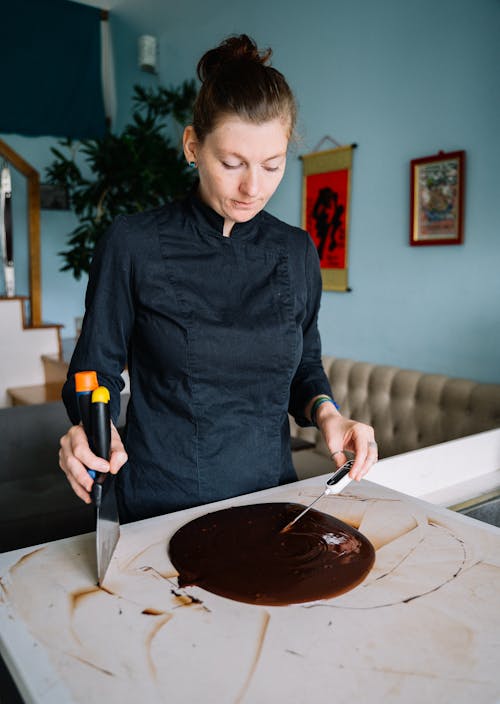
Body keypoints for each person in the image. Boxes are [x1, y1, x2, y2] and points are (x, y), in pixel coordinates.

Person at [59, 34, 377, 523]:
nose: (253, 187)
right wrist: (88, 427)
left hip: (271, 499)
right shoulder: (133, 244)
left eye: (272, 166)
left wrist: (329, 414)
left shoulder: (295, 252)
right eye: (232, 164)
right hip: (161, 504)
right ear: (192, 146)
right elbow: (91, 373)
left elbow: (304, 366)